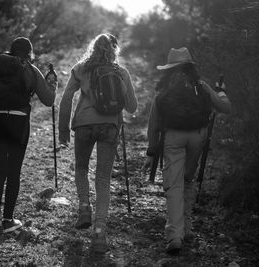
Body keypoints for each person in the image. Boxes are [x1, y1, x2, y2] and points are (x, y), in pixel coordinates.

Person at [143, 47, 231, 254]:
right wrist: (222, 92)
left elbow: (153, 124)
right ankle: (188, 228)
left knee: (174, 187)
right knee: (188, 180)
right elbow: (225, 108)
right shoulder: (200, 86)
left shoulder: (163, 90)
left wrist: (151, 151)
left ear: (169, 68)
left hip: (172, 137)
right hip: (198, 136)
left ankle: (175, 236)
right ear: (191, 66)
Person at [58, 33, 137, 252]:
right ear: (114, 50)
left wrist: (63, 130)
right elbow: (132, 107)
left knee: (81, 168)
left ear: (93, 47)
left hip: (83, 124)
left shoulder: (80, 68)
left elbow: (66, 100)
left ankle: (84, 207)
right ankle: (100, 232)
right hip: (109, 127)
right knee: (103, 178)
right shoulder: (121, 72)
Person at [0, 37, 57, 236]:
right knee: (13, 171)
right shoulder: (31, 70)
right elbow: (49, 100)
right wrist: (53, 84)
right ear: (29, 54)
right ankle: (8, 220)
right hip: (18, 122)